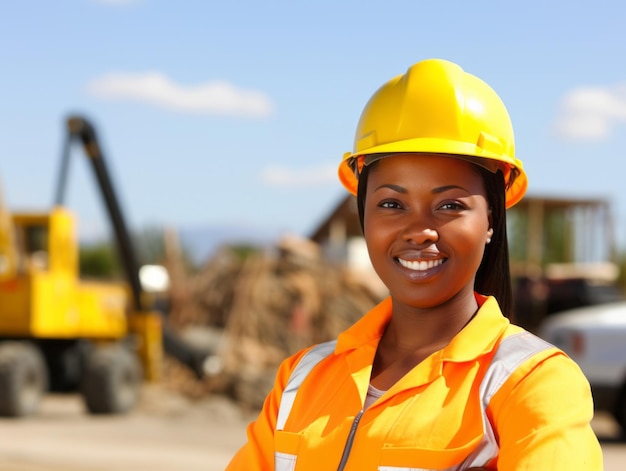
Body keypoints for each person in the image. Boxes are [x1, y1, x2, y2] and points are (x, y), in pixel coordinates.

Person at [225, 58, 603, 470]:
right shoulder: (301, 378)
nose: (419, 229)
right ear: (363, 216)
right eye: (392, 203)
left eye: (450, 205)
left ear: (491, 220)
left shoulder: (531, 384)